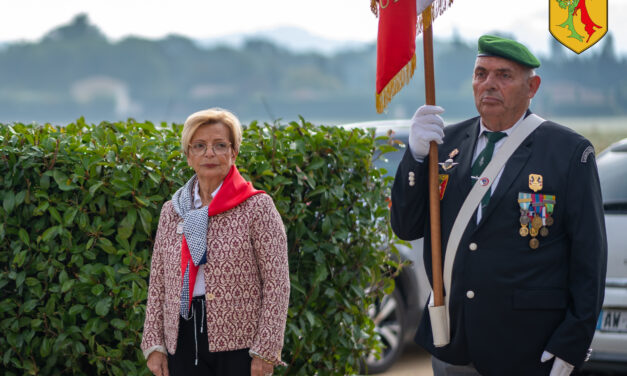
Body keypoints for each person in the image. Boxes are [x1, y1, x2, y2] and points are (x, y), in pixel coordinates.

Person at [391, 35, 607, 376]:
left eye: (504, 75)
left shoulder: (567, 152)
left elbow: (588, 259)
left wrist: (573, 342)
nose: (488, 84)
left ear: (532, 86)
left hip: (529, 345)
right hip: (454, 338)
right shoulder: (445, 144)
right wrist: (415, 157)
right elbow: (406, 226)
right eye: (481, 73)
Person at [140, 108, 290, 376]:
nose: (209, 153)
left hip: (241, 345)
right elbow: (158, 283)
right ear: (188, 156)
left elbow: (277, 285)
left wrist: (266, 350)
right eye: (199, 146)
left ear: (234, 153)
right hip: (181, 339)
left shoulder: (258, 207)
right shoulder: (171, 211)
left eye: (219, 145)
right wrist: (154, 344)